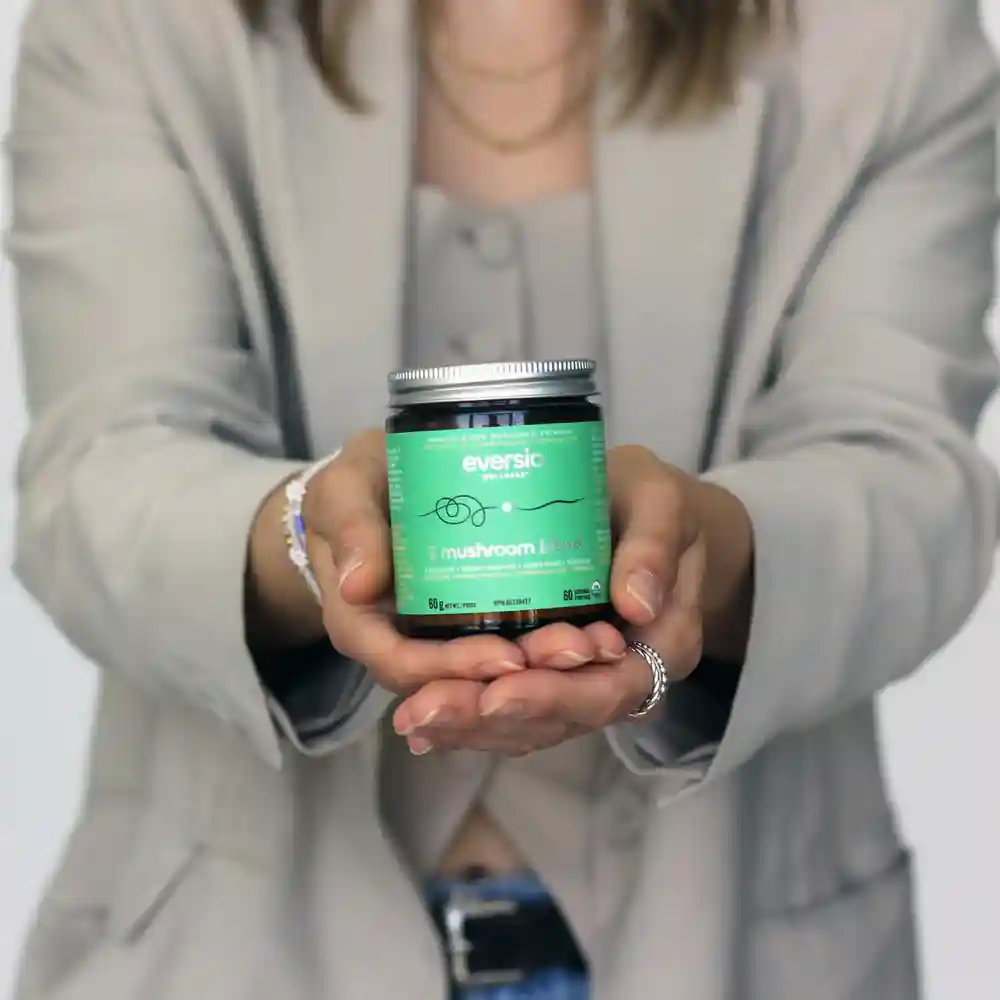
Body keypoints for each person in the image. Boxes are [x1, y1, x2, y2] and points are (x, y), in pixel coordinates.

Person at [6, 0, 1000, 997]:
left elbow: (913, 485)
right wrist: (308, 537)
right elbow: (93, 476)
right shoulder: (135, 22)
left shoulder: (883, 33)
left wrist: (720, 549)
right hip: (222, 952)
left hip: (740, 945)